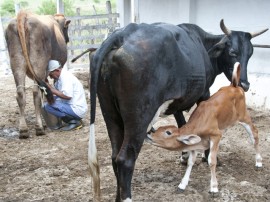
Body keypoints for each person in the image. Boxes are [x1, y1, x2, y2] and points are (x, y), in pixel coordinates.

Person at [43, 60, 88, 131]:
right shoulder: (60, 79)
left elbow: (67, 96)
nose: (51, 77)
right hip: (72, 106)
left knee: (48, 106)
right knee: (47, 104)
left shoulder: (66, 77)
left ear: (57, 70)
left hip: (77, 109)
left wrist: (50, 89)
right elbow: (58, 94)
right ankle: (73, 120)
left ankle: (74, 122)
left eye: (51, 75)